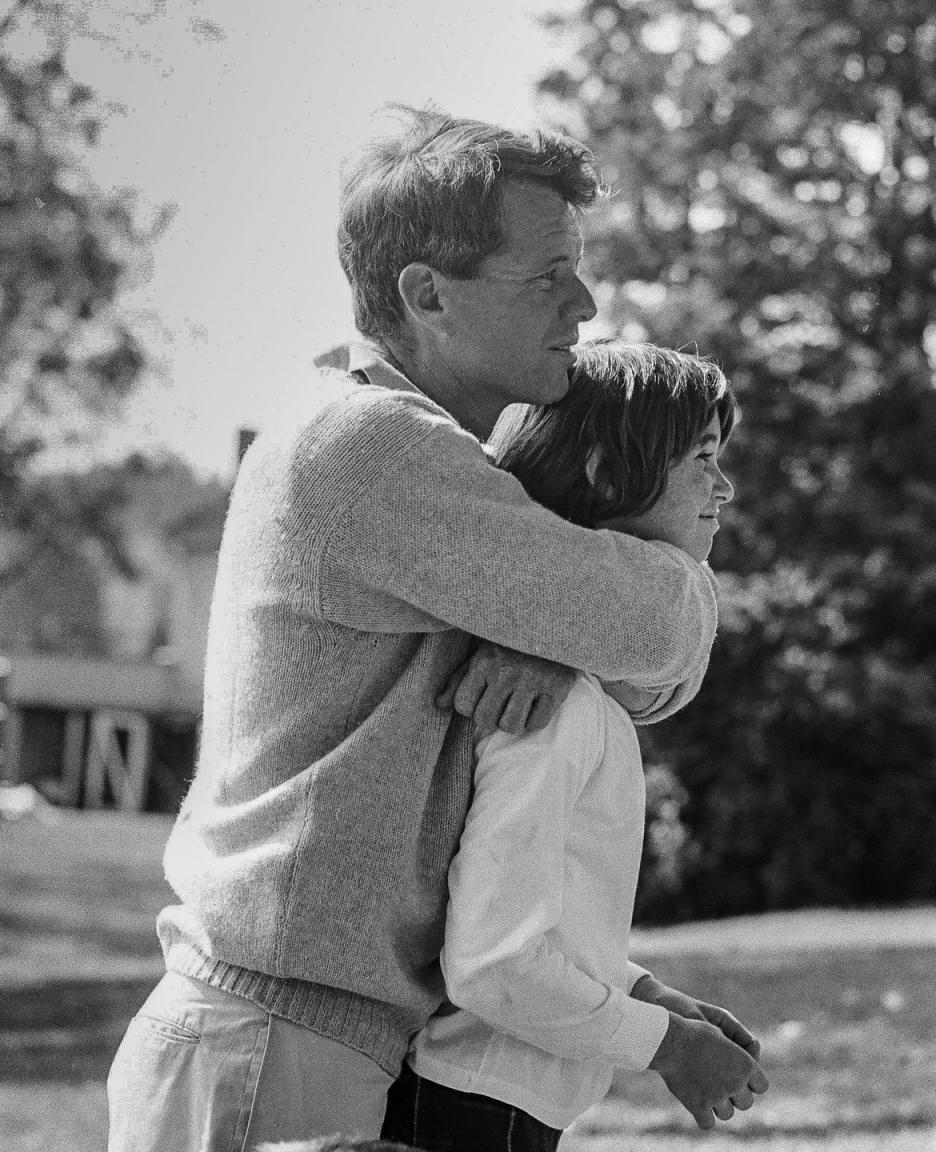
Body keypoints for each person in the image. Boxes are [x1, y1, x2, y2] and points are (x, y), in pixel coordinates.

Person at [107, 108, 725, 1151]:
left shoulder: (445, 476)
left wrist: (553, 635)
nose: (584, 302)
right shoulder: (372, 450)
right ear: (426, 294)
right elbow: (658, 620)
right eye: (546, 275)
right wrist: (573, 626)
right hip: (272, 1038)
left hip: (305, 1034)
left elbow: (651, 662)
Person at [381, 339, 768, 1152]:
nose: (724, 485)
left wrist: (648, 994)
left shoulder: (580, 694)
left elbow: (542, 931)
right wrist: (665, 1046)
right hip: (468, 1108)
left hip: (505, 1102)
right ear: (602, 471)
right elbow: (492, 965)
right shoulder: (547, 711)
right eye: (702, 457)